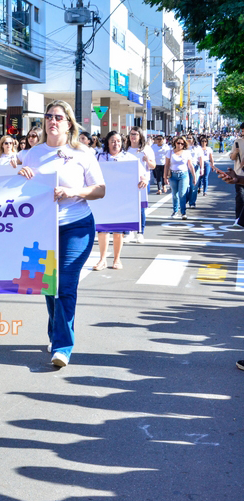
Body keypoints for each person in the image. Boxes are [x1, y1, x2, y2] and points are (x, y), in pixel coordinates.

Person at [18, 100, 105, 368]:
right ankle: (56, 334)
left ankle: (62, 347)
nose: (52, 121)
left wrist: (73, 192)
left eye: (58, 117)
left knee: (65, 285)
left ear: (69, 124)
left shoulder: (82, 153)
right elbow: (13, 185)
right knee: (48, 286)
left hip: (76, 226)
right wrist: (19, 173)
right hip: (42, 228)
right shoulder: (33, 153)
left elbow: (100, 189)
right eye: (48, 116)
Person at [93, 131, 148, 270]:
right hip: (103, 199)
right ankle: (102, 260)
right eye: (112, 141)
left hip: (121, 199)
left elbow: (142, 174)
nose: (115, 144)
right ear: (107, 142)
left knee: (118, 231)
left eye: (118, 141)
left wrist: (144, 180)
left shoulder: (128, 157)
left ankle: (117, 259)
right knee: (102, 230)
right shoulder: (99, 157)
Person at [125, 126, 155, 243]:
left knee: (141, 209)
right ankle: (129, 232)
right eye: (131, 134)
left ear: (140, 136)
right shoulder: (125, 149)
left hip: (143, 182)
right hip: (128, 182)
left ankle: (140, 233)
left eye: (135, 134)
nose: (133, 136)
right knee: (128, 207)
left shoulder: (146, 149)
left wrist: (147, 160)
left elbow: (153, 166)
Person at [164, 136, 196, 220]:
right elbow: (166, 165)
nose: (180, 145)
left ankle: (183, 212)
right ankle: (175, 211)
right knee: (175, 194)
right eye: (178, 143)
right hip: (173, 175)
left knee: (182, 194)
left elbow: (190, 165)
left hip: (183, 175)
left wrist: (194, 176)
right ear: (175, 143)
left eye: (182, 143)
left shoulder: (186, 153)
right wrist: (165, 177)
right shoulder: (170, 152)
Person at [185, 135, 204, 208]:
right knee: (185, 186)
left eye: (190, 138)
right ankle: (184, 201)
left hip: (195, 166)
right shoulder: (184, 147)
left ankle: (192, 202)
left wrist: (202, 168)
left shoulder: (197, 147)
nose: (188, 139)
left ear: (193, 139)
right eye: (187, 138)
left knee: (194, 186)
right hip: (185, 166)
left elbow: (201, 158)